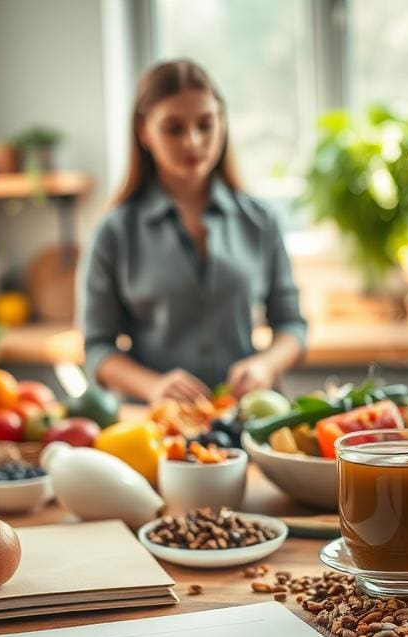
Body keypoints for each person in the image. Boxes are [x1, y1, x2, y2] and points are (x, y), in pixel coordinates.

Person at [82, 59, 307, 404]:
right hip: (156, 427)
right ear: (144, 132)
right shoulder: (114, 232)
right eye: (174, 129)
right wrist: (153, 386)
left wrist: (265, 365)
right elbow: (97, 347)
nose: (193, 141)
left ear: (223, 122)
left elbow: (292, 326)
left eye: (206, 124)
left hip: (249, 415)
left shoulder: (261, 221)